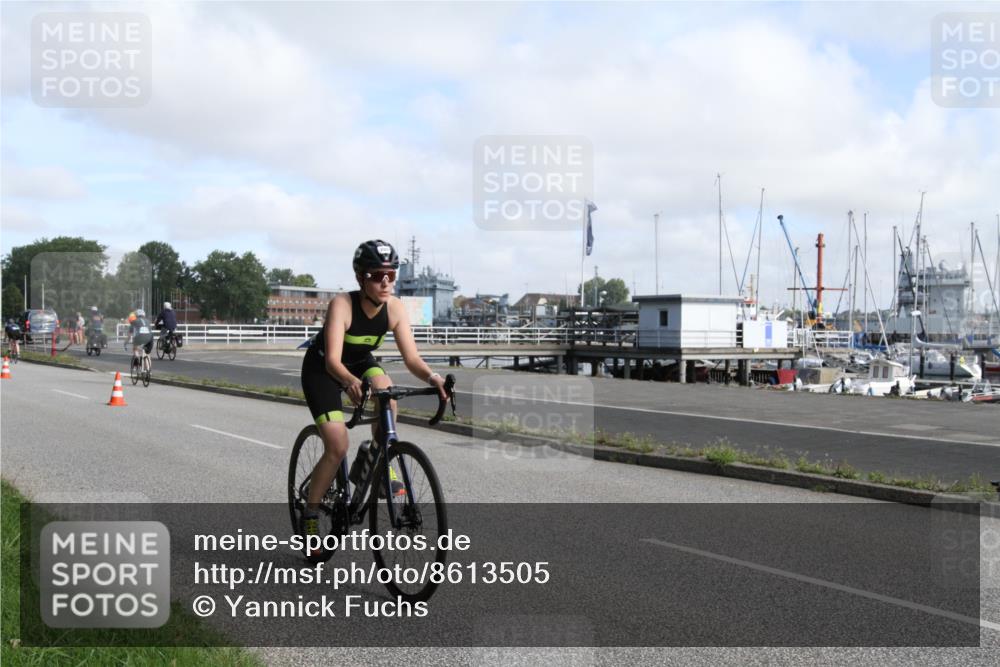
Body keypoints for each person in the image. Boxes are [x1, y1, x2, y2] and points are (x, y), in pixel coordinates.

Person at [298, 240, 447, 551]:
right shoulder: (342, 304)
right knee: (338, 444)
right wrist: (351, 382)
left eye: (391, 275)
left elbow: (412, 359)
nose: (385, 282)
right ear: (360, 278)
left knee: (389, 398)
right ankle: (311, 513)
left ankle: (376, 459)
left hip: (361, 361)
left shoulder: (394, 308)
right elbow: (333, 362)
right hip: (324, 367)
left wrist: (433, 378)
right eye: (377, 275)